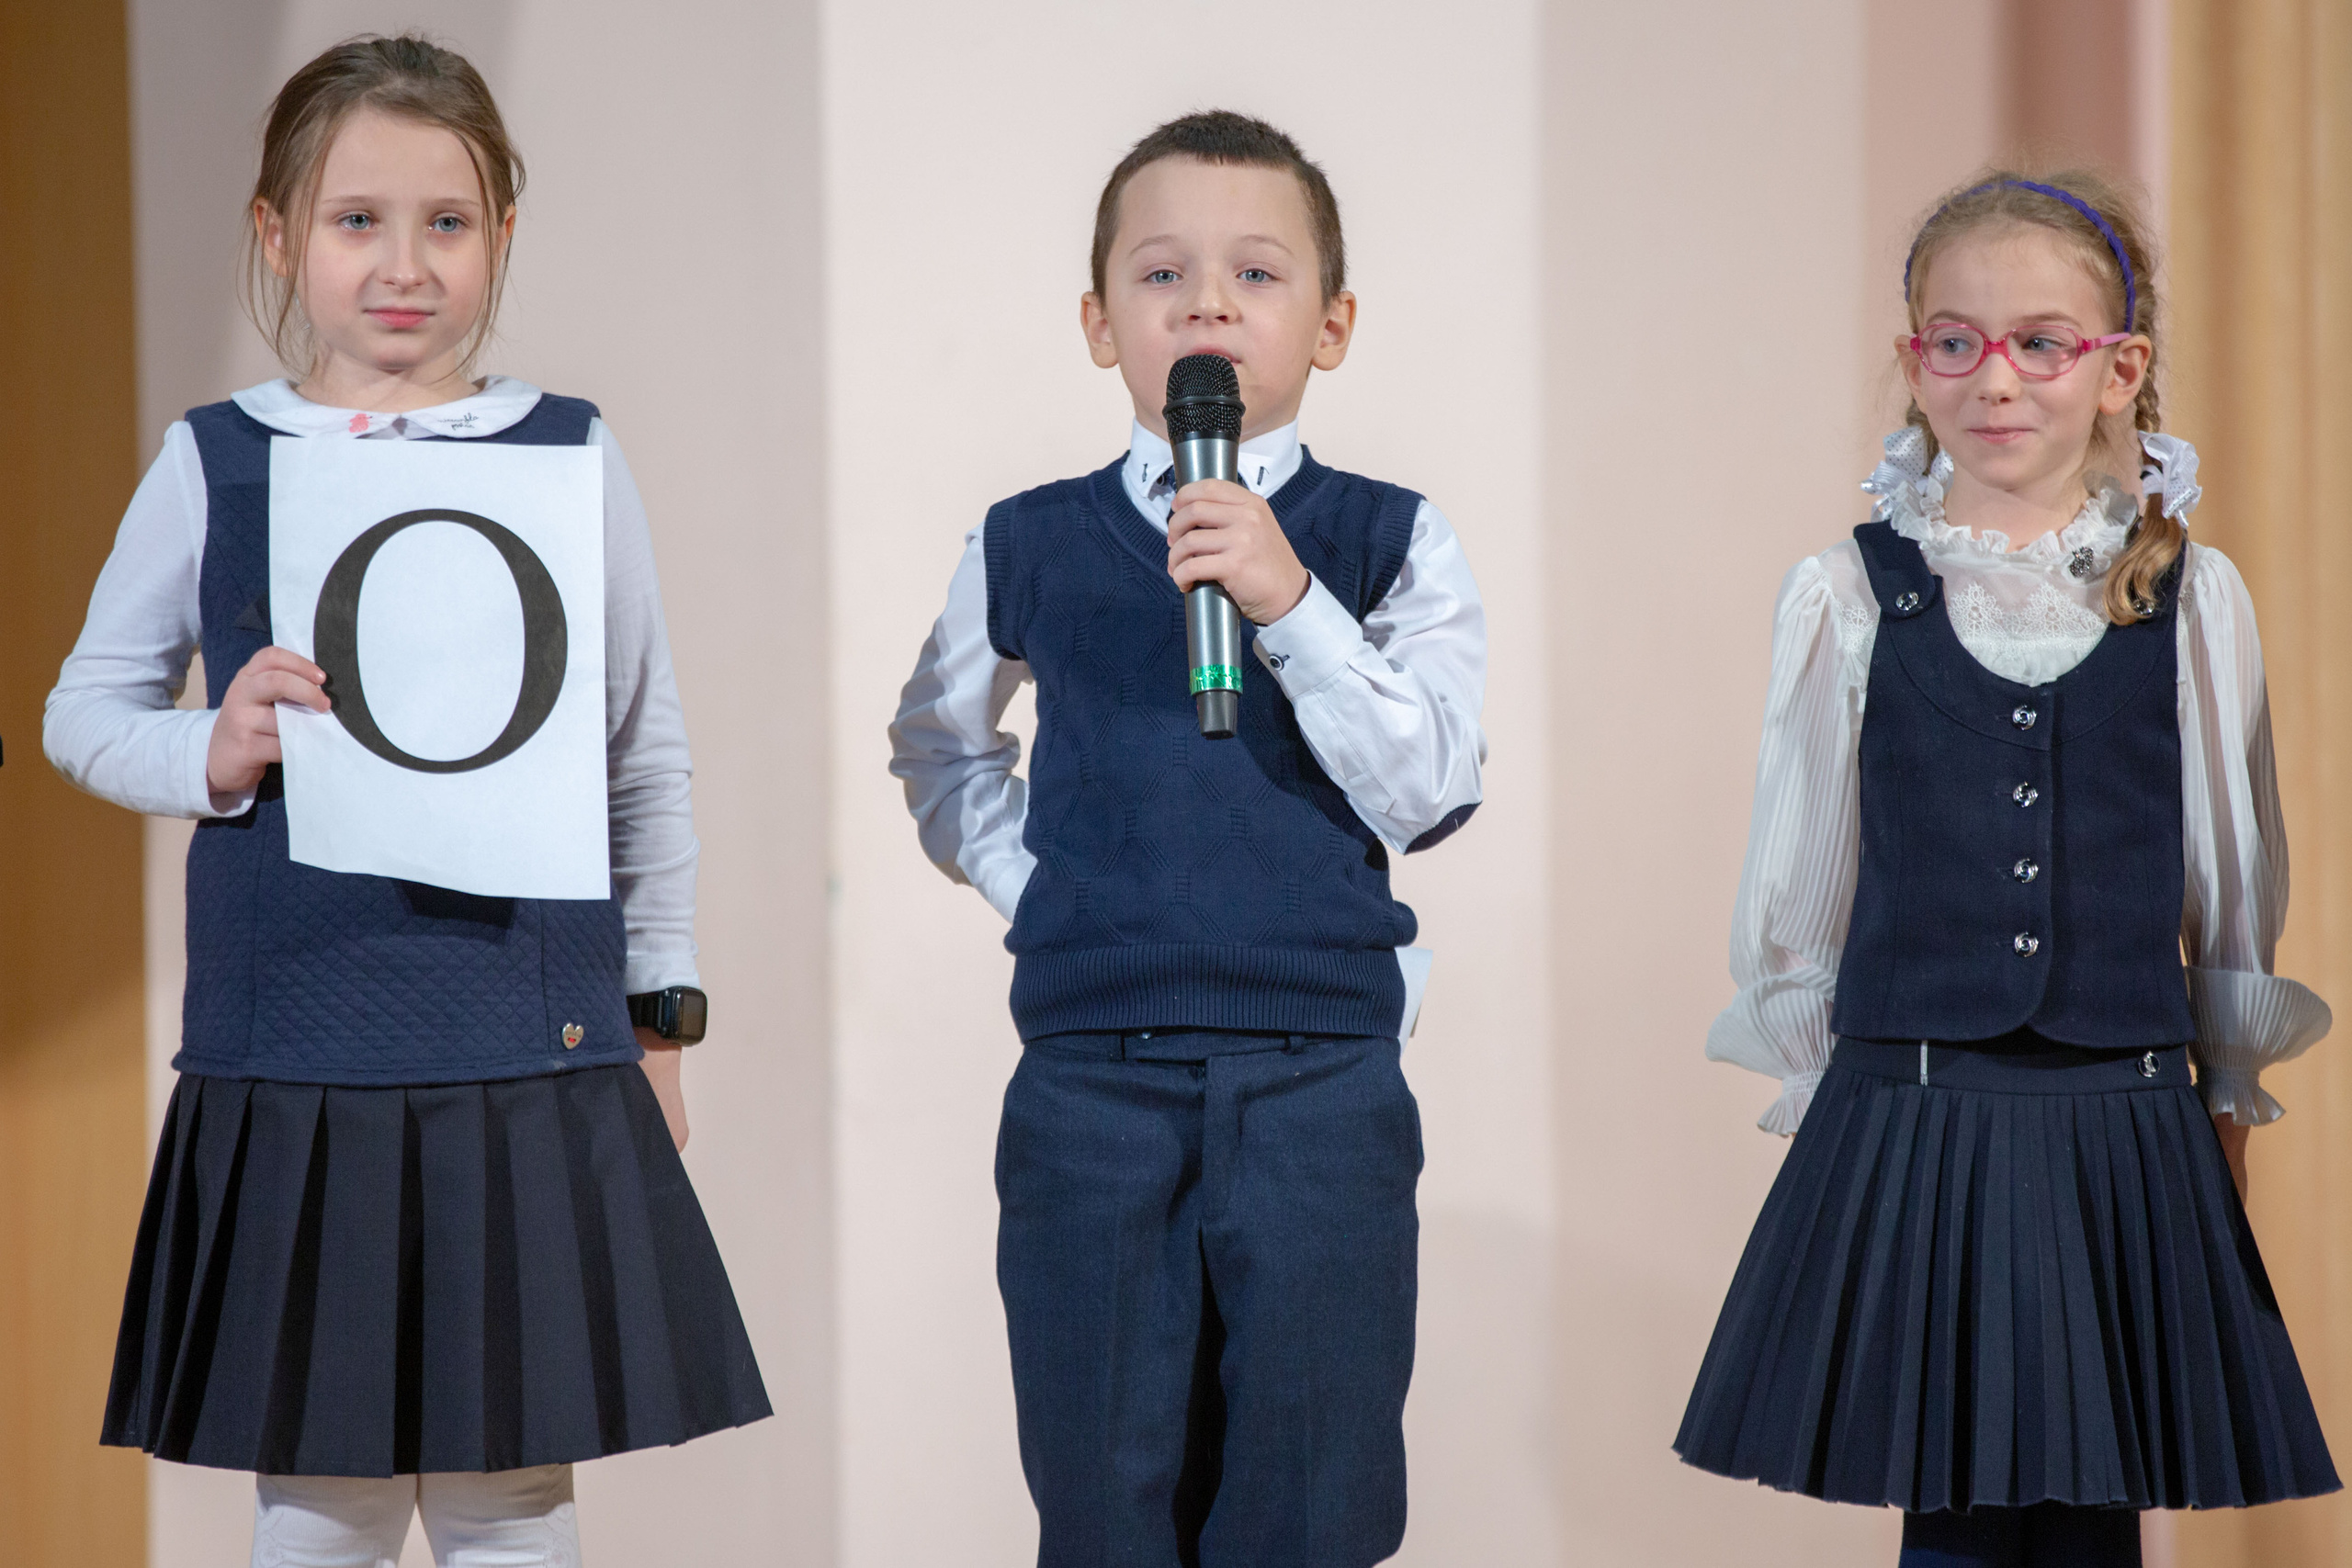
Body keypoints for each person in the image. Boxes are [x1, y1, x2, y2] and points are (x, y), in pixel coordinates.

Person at [45, 35, 767, 1566]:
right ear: (276, 237)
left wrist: (661, 1015)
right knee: (320, 1503)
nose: (403, 264)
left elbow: (643, 748)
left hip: (526, 1042)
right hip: (298, 1051)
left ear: (503, 234)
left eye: (447, 222)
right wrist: (211, 750)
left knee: (514, 1494)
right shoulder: (215, 461)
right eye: (355, 220)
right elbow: (81, 714)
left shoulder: (570, 451)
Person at [1675, 169, 2339, 1566]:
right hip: (1917, 1112)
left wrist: (2216, 1105)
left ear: (2119, 371)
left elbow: (2228, 892)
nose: (1998, 378)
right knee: (1956, 1520)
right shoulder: (1853, 592)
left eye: (2043, 341)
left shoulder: (2190, 598)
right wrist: (1830, 1120)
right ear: (1915, 361)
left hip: (2125, 1112)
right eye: (1955, 340)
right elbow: (1802, 890)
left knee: (2096, 1519)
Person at [888, 110, 1486, 1567]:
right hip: (1092, 1085)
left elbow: (1438, 783)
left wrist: (1289, 606)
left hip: (1321, 1082)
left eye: (1257, 274)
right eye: (1162, 275)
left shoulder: (1386, 538)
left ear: (1331, 325)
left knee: (1311, 1496)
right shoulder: (1026, 538)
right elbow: (939, 744)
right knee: (1103, 1500)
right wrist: (1045, 893)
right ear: (1101, 325)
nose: (1208, 302)